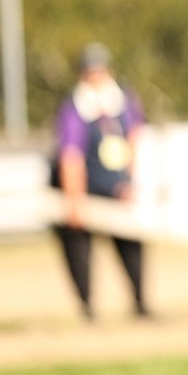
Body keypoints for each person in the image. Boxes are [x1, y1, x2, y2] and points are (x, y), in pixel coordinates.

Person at [52, 43, 149, 320]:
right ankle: (87, 307)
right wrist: (75, 200)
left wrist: (129, 181)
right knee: (78, 248)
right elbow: (71, 155)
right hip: (86, 189)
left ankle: (140, 302)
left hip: (118, 188)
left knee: (131, 246)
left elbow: (133, 140)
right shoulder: (73, 108)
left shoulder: (123, 100)